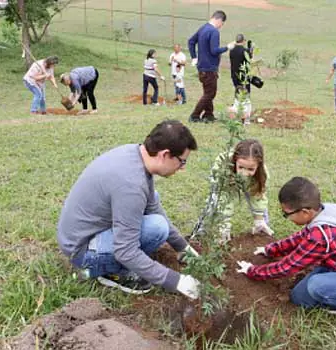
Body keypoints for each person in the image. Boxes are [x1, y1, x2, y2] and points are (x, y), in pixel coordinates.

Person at [57, 120, 201, 298]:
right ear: (165, 155)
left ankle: (107, 261)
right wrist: (175, 281)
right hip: (82, 252)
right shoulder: (131, 185)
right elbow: (125, 251)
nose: (182, 168)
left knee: (155, 206)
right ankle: (111, 273)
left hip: (79, 235)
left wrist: (183, 248)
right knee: (156, 229)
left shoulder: (134, 154)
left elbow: (153, 207)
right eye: (182, 162)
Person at [237, 177, 336, 315]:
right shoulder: (322, 212)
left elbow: (287, 266)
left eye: (286, 214)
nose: (286, 218)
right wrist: (270, 250)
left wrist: (253, 271)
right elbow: (298, 238)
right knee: (299, 298)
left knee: (316, 286)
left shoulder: (321, 236)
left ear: (305, 212)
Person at [194, 139, 272, 243]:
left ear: (259, 166)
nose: (244, 173)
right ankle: (199, 235)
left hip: (250, 183)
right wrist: (225, 222)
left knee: (262, 215)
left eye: (250, 169)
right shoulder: (223, 166)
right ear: (235, 160)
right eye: (241, 167)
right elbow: (223, 196)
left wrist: (259, 219)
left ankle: (262, 236)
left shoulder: (262, 174)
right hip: (225, 184)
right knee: (213, 204)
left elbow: (258, 196)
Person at [187, 10, 234, 123]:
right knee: (210, 94)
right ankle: (194, 115)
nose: (221, 26)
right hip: (209, 68)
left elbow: (191, 41)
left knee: (207, 92)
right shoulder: (214, 31)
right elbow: (214, 51)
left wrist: (194, 57)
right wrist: (227, 47)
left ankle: (209, 115)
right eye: (222, 24)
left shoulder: (203, 28)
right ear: (219, 20)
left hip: (202, 67)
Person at [229, 34, 253, 123]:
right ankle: (245, 117)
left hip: (234, 75)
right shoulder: (244, 51)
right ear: (243, 41)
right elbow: (248, 61)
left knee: (237, 93)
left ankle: (236, 113)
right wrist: (250, 52)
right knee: (246, 96)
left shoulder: (232, 50)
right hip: (243, 76)